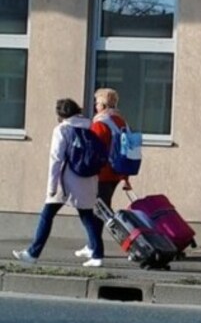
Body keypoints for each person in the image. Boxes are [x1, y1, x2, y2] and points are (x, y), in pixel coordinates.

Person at [12, 99, 105, 267]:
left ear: (61, 114)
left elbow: (56, 159)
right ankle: (97, 254)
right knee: (87, 215)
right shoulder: (89, 128)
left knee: (47, 215)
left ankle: (33, 253)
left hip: (66, 181)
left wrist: (51, 187)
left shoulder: (62, 130)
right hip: (88, 179)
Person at [74, 87, 130, 259]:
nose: (95, 105)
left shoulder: (100, 123)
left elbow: (94, 150)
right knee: (101, 210)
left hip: (101, 173)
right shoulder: (120, 121)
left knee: (97, 212)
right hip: (116, 172)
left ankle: (127, 243)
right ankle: (92, 244)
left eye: (97, 102)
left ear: (103, 104)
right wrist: (125, 177)